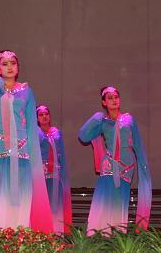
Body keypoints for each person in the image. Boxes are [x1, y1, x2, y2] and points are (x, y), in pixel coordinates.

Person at [0, 50, 53, 231]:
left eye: (13, 63)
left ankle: (16, 235)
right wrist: (0, 81)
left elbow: (31, 123)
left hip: (20, 148)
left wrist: (32, 155)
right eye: (4, 64)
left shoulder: (26, 91)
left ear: (18, 68)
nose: (9, 67)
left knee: (19, 196)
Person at [78, 86, 151, 234]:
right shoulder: (102, 122)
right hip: (109, 165)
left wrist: (143, 167)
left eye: (116, 97)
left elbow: (138, 144)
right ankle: (99, 235)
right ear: (104, 102)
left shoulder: (129, 119)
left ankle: (116, 236)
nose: (114, 100)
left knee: (120, 202)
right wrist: (96, 117)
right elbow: (83, 137)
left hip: (126, 167)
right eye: (110, 98)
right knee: (104, 200)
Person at [37, 105, 72, 233]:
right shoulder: (36, 133)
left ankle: (57, 233)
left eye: (46, 114)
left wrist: (63, 175)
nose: (44, 116)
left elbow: (62, 154)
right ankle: (42, 233)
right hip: (42, 176)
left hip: (56, 176)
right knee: (43, 205)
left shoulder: (57, 133)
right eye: (41, 115)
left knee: (57, 206)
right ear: (36, 119)